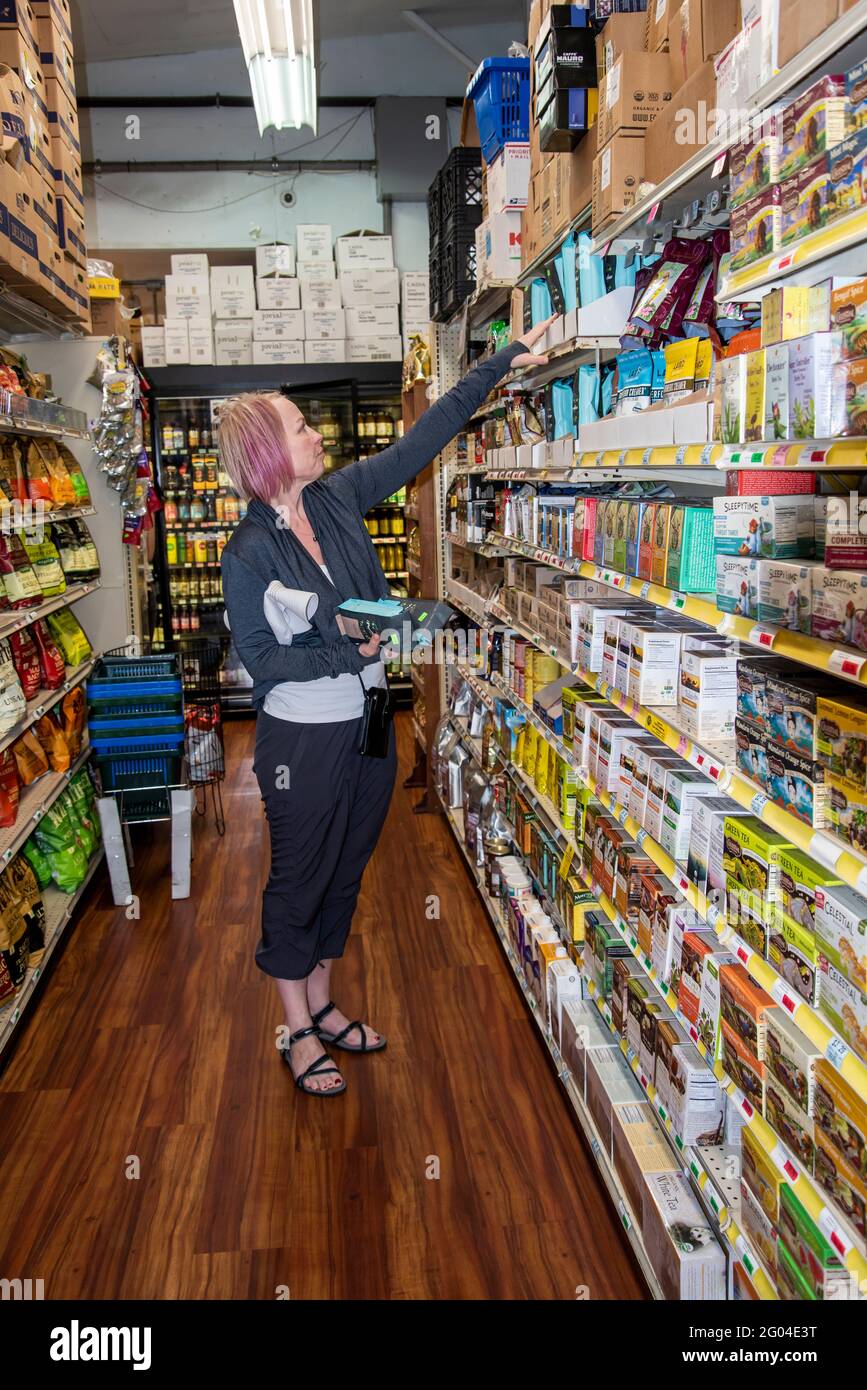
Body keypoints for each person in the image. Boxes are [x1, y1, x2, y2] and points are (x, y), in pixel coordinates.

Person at [218, 317, 553, 1096]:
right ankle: (296, 1029)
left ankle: (325, 1006)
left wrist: (497, 365)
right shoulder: (246, 554)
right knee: (299, 877)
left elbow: (421, 441)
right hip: (302, 740)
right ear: (269, 452)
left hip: (369, 722)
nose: (316, 434)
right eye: (301, 428)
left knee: (345, 870)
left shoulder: (336, 497)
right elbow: (259, 663)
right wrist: (352, 647)